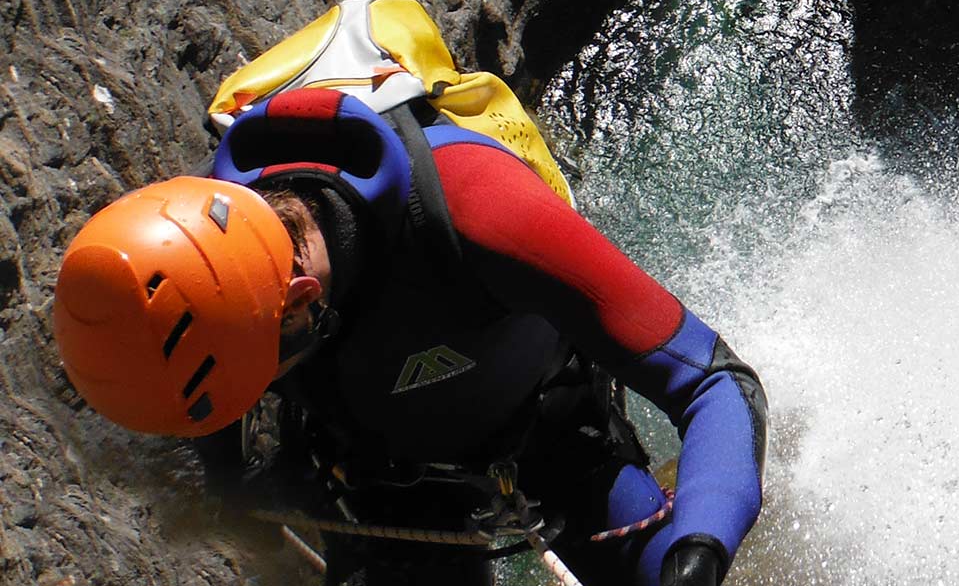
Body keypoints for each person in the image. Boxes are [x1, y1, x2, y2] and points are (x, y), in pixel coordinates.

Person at [50, 85, 765, 585]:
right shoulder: (202, 273)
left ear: (301, 298)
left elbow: (715, 382)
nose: (259, 392)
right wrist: (232, 490)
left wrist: (697, 551)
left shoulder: (479, 210)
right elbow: (204, 392)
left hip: (552, 438)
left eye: (264, 376)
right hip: (379, 482)